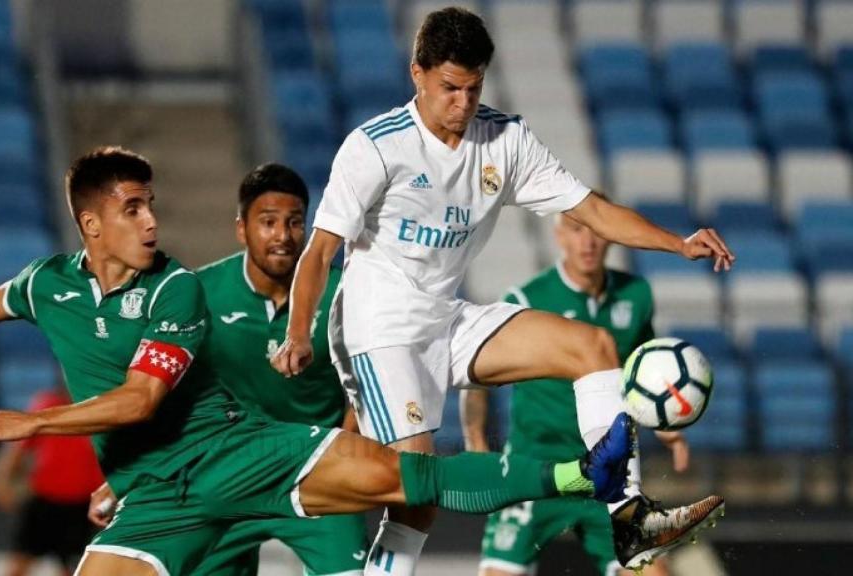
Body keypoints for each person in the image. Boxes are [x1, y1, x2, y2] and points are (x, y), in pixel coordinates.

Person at [0, 146, 634, 576]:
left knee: (404, 476)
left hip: (244, 454)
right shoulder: (48, 284)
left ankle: (581, 475)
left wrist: (34, 425)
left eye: (151, 203)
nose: (152, 219)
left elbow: (138, 401)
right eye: (134, 208)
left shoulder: (176, 290)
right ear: (91, 225)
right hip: (159, 496)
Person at [270, 7, 732, 574]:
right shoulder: (376, 147)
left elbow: (591, 210)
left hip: (446, 317)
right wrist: (298, 333)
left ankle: (629, 516)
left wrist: (677, 243)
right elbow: (320, 251)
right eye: (450, 88)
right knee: (416, 494)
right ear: (418, 74)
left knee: (592, 347)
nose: (463, 103)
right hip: (378, 328)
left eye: (474, 87)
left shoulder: (505, 139)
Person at [88, 162, 369, 575]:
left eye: (294, 222)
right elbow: (161, 390)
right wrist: (126, 477)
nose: (282, 235)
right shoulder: (199, 293)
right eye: (268, 222)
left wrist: (346, 456)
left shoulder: (345, 293)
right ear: (242, 229)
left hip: (315, 470)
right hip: (225, 473)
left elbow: (366, 388)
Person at [462, 212, 691, 576]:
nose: (588, 242)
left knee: (654, 573)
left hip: (609, 472)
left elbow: (645, 370)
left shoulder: (636, 295)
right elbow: (477, 377)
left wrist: (667, 430)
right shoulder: (526, 299)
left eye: (597, 230)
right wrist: (475, 440)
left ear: (611, 235)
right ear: (559, 236)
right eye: (576, 230)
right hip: (536, 467)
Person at [0, 386, 105, 576]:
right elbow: (18, 449)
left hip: (81, 506)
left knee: (73, 569)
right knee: (19, 565)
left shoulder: (100, 409)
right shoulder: (48, 406)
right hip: (45, 501)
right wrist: (2, 480)